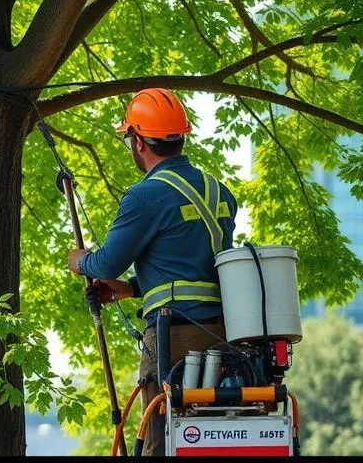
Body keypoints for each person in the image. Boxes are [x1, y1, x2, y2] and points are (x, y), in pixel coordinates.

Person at [65, 88, 238, 456]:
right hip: (226, 335)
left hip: (172, 339)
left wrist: (80, 260)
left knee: (161, 439)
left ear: (139, 142)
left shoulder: (146, 195)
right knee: (215, 438)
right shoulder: (219, 191)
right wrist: (132, 289)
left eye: (130, 136)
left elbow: (107, 262)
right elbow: (195, 264)